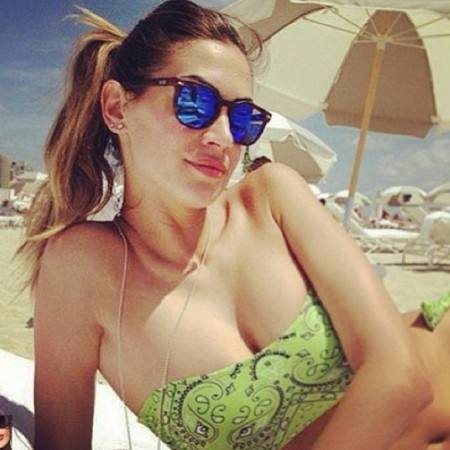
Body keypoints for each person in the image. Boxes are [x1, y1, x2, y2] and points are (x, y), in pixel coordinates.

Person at [17, 1, 450, 449]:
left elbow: (402, 376)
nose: (224, 138)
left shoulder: (272, 197)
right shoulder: (82, 269)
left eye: (243, 118)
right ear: (116, 107)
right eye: (194, 101)